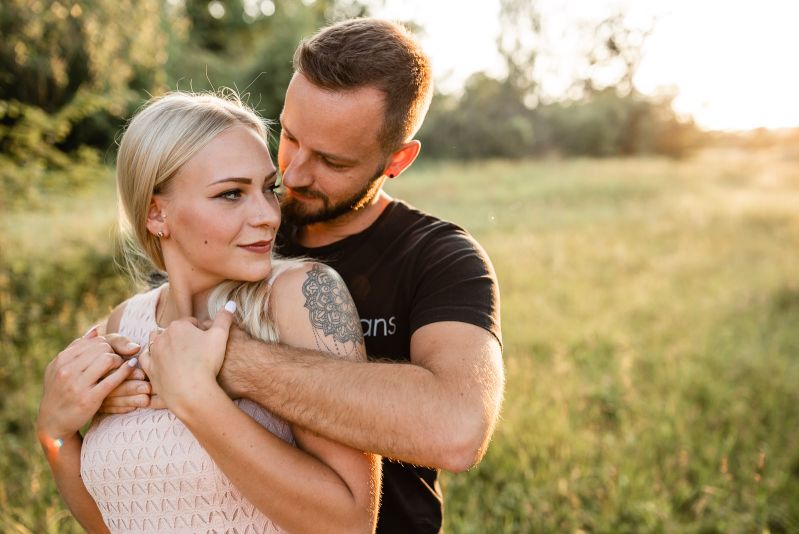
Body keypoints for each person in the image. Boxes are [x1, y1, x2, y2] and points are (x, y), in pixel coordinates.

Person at [91, 17, 501, 533]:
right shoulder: (235, 235)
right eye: (290, 135)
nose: (295, 174)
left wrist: (235, 363)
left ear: (397, 159)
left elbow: (457, 429)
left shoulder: (438, 257)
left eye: (331, 159)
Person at [36, 92, 380, 533]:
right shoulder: (124, 324)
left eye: (268, 189)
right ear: (157, 213)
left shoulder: (301, 295)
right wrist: (54, 433)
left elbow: (351, 523)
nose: (267, 216)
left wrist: (196, 400)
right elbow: (118, 523)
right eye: (232, 194)